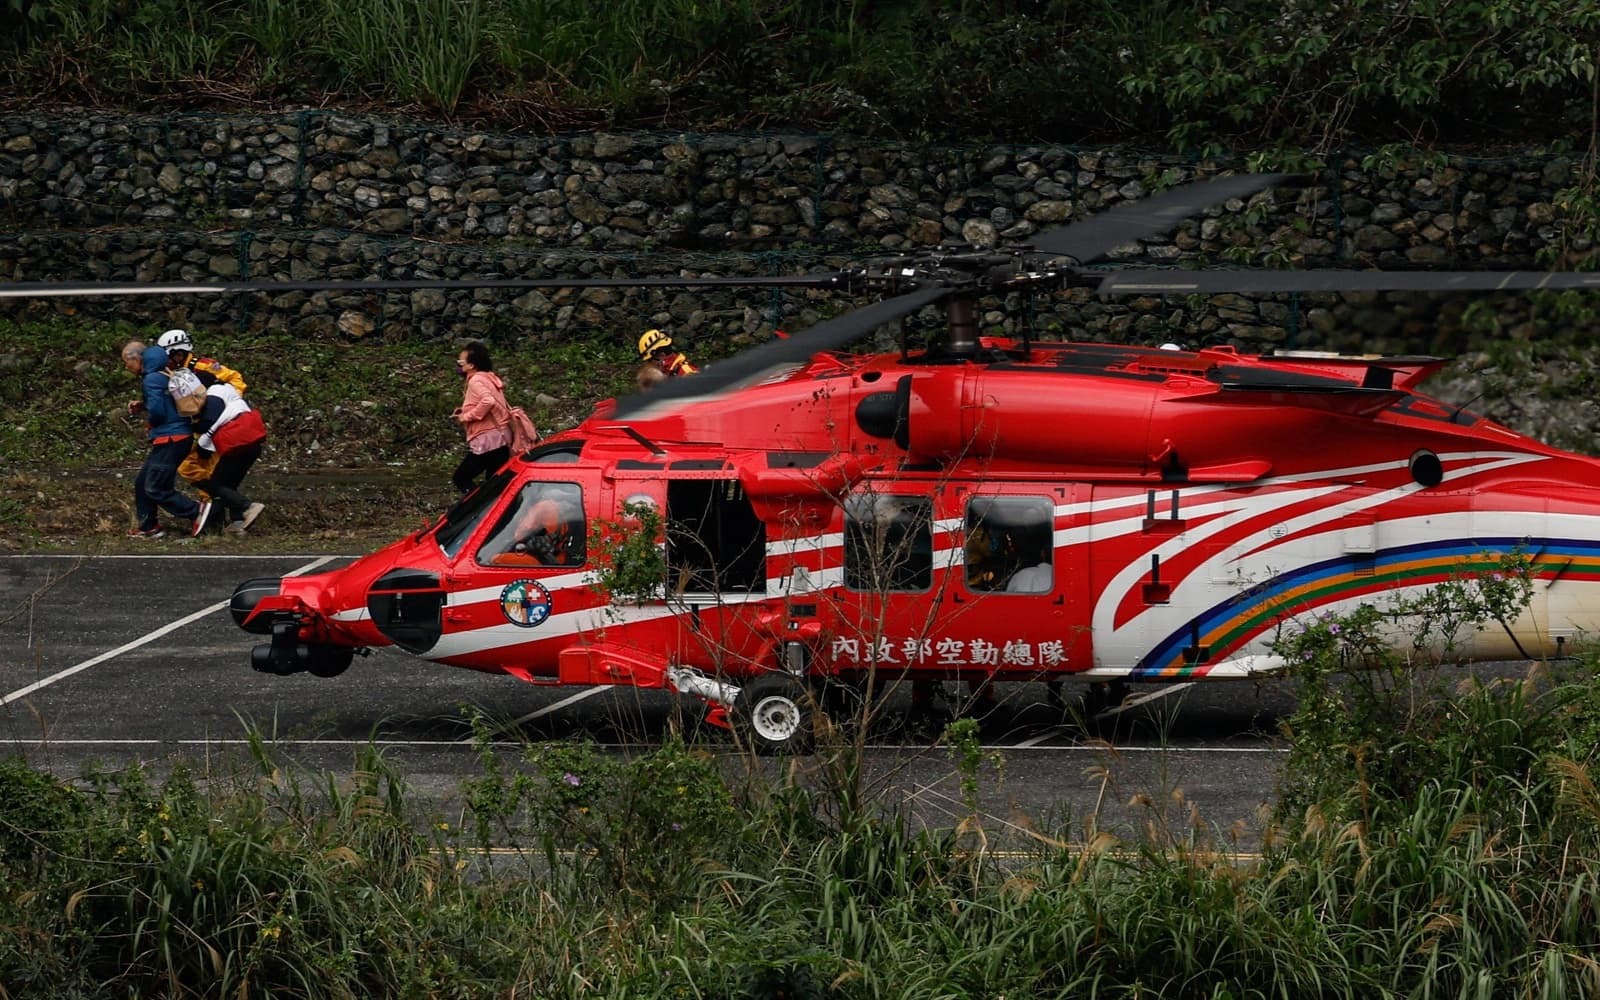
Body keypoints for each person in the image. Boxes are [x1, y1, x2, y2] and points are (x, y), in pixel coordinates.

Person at [124, 342, 205, 540]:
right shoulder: (163, 373)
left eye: (127, 362)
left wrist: (151, 420)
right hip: (177, 436)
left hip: (171, 438)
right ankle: (148, 526)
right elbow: (166, 401)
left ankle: (198, 512)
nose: (126, 367)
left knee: (156, 487)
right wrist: (144, 405)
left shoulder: (151, 379)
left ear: (137, 359)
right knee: (142, 483)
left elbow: (159, 412)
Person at [190, 381, 268, 536]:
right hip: (252, 441)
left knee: (214, 484)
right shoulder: (230, 393)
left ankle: (247, 506)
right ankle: (238, 523)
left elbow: (208, 423)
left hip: (235, 443)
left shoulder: (214, 396)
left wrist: (195, 429)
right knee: (229, 486)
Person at [451, 341, 512, 494]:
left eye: (461, 362)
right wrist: (464, 409)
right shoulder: (489, 378)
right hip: (503, 438)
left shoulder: (476, 380)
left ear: (471, 365)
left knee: (460, 477)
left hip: (488, 440)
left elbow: (488, 401)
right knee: (494, 484)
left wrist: (466, 417)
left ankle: (476, 509)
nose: (459, 366)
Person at [158, 329, 247, 393]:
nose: (166, 361)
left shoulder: (202, 366)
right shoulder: (175, 369)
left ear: (179, 355)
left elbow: (234, 377)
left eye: (167, 357)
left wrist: (233, 396)